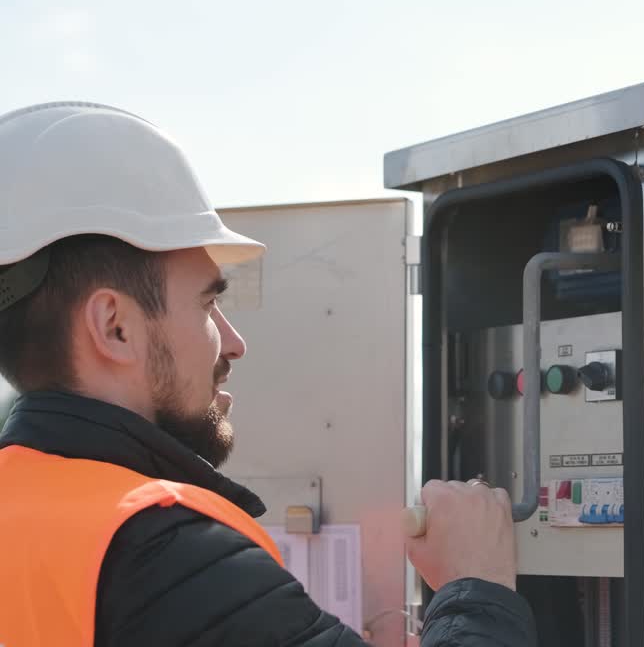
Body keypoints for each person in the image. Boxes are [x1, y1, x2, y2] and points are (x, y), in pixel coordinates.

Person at [0, 102, 536, 646]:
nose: (234, 342)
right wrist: (477, 588)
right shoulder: (168, 554)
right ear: (115, 327)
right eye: (206, 305)